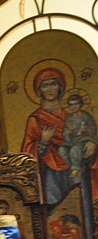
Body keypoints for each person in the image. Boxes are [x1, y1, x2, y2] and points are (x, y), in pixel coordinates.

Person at [20, 67, 75, 205]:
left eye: (53, 84)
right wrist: (44, 141)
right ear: (40, 90)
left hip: (73, 167)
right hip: (49, 169)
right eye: (45, 85)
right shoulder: (35, 119)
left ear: (60, 87)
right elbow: (27, 153)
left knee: (77, 199)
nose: (50, 89)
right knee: (54, 204)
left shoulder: (70, 117)